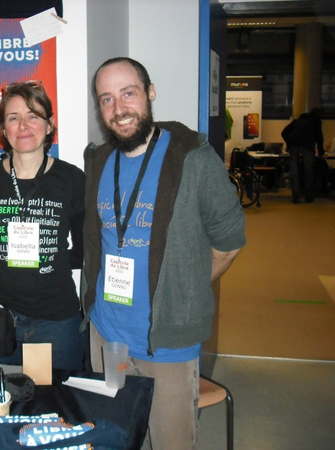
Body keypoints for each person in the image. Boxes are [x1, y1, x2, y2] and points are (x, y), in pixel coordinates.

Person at [83, 57, 246, 449]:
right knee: (114, 438)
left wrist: (181, 292)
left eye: (128, 93)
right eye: (106, 99)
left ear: (150, 93)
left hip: (167, 345)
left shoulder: (193, 159)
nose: (118, 109)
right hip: (106, 337)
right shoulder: (99, 161)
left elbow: (230, 240)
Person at [0, 81, 85, 370]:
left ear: (49, 124)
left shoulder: (71, 180)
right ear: (3, 128)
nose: (23, 126)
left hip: (56, 322)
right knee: (1, 407)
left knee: (55, 407)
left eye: (33, 116)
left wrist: (33, 254)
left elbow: (84, 252)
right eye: (13, 118)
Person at [281, 107, 324, 203]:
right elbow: (319, 136)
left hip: (294, 146)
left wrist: (289, 143)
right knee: (308, 172)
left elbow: (284, 132)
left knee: (294, 172)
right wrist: (321, 151)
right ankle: (308, 196)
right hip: (307, 147)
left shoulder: (298, 121)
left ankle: (296, 197)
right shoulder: (316, 121)